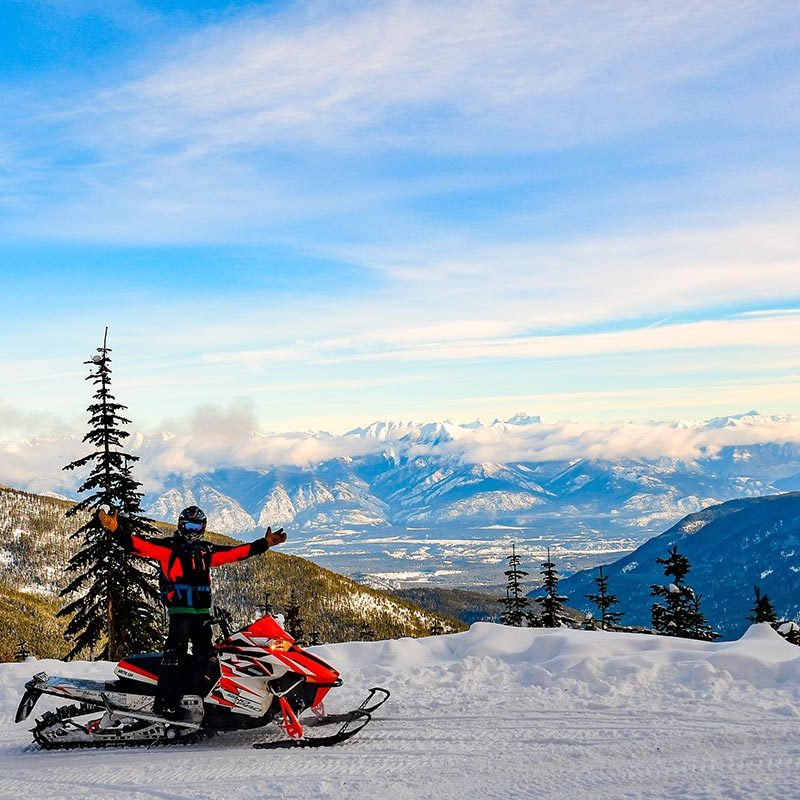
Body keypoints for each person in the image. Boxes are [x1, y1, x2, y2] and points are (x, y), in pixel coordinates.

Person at [98, 504, 286, 718]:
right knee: (174, 654)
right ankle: (164, 702)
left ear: (202, 528)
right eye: (188, 525)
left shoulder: (206, 552)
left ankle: (198, 697)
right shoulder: (169, 548)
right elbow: (139, 546)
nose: (191, 530)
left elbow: (236, 553)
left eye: (196, 527)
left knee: (206, 656)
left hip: (201, 613)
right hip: (180, 611)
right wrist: (116, 530)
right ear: (180, 525)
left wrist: (265, 544)